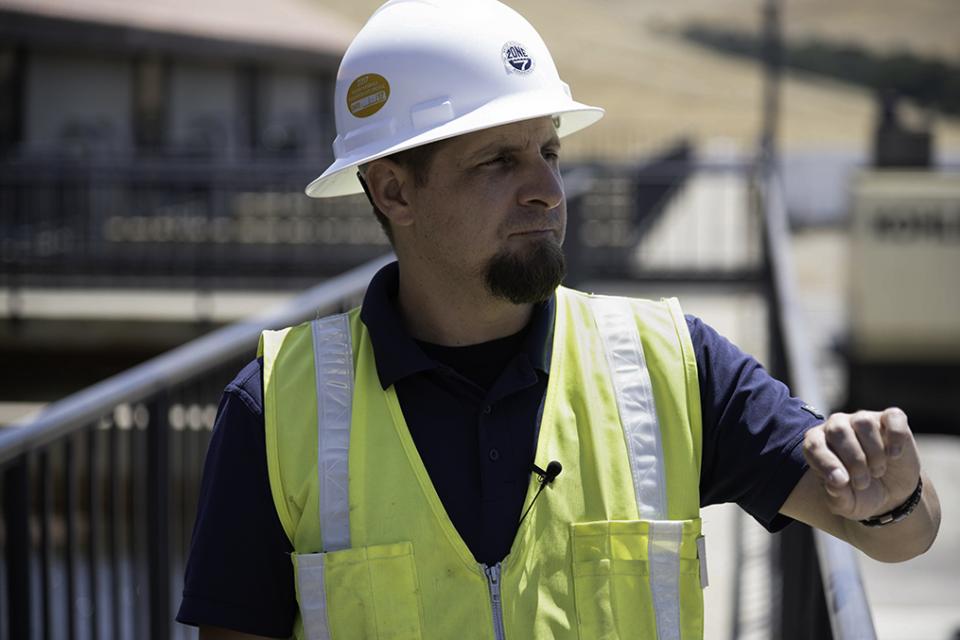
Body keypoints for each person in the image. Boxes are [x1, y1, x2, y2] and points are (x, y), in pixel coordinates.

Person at [177, 1, 941, 638]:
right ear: (393, 192)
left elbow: (903, 536)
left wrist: (896, 494)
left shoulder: (667, 365)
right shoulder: (277, 411)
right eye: (499, 162)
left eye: (549, 150)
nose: (547, 189)